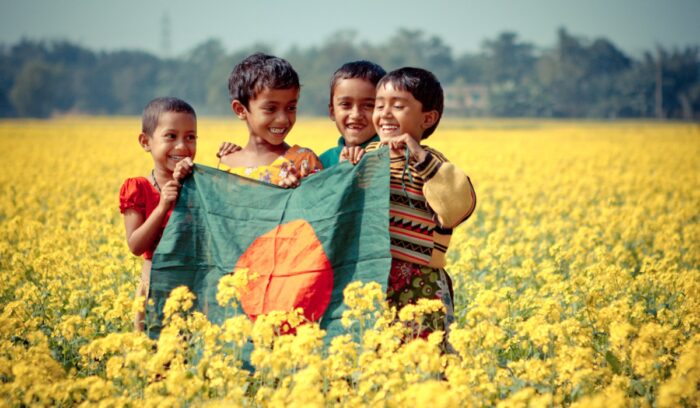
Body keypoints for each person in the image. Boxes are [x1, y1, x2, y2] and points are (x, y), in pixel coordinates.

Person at [366, 67, 477, 338]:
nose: (385, 114)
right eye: (379, 105)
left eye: (398, 106)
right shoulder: (367, 158)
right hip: (373, 276)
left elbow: (457, 207)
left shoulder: (432, 163)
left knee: (426, 359)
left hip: (421, 280)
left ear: (427, 118)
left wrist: (419, 157)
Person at [119, 97, 197, 331]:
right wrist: (163, 206)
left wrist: (229, 157)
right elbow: (135, 246)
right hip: (154, 285)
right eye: (171, 136)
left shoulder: (198, 186)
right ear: (146, 141)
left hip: (194, 287)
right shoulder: (138, 188)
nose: (182, 146)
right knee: (154, 357)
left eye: (190, 137)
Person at [218, 53, 322, 186]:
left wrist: (296, 192)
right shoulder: (225, 165)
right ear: (240, 110)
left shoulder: (304, 162)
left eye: (291, 108)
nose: (283, 120)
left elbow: (320, 202)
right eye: (271, 109)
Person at [319, 60, 386, 168]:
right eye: (346, 104)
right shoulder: (324, 161)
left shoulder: (393, 157)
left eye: (368, 105)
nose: (356, 115)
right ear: (332, 112)